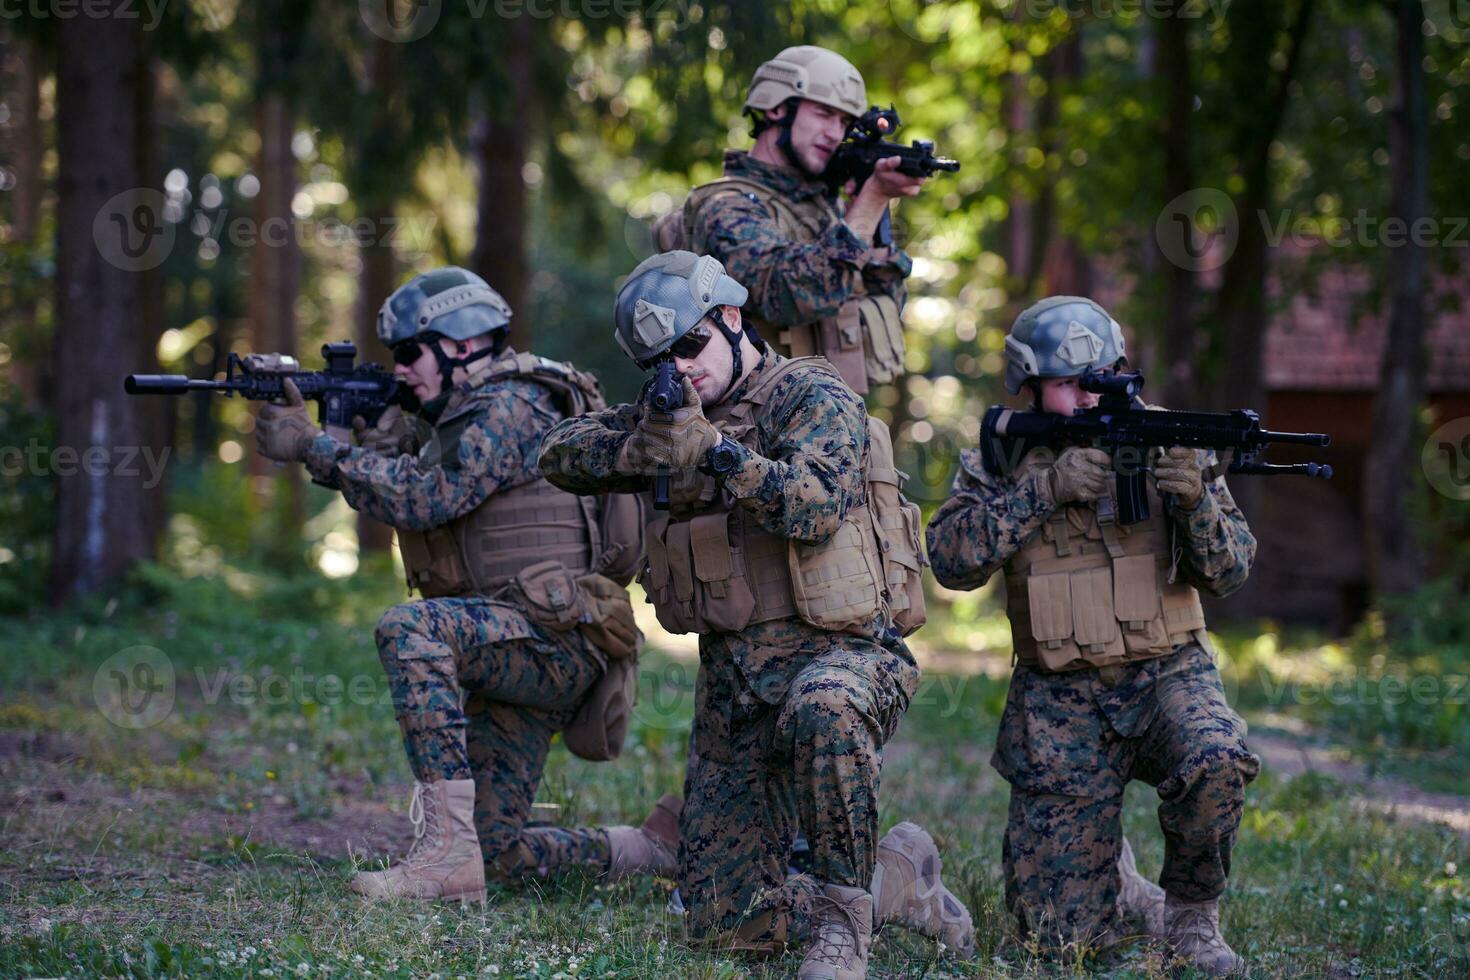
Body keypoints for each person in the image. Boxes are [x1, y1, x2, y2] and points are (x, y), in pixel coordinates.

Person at [538, 251, 973, 978]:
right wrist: (645, 441)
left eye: (690, 345)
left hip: (847, 657)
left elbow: (815, 504)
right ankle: (898, 882)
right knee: (728, 927)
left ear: (732, 318)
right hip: (738, 692)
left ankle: (844, 927)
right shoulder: (673, 413)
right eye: (661, 360)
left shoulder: (808, 393)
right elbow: (557, 455)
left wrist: (718, 454)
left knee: (826, 708)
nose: (683, 368)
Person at [253, 266, 676, 902]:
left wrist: (315, 447)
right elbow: (405, 484)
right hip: (518, 640)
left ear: (460, 344)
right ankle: (647, 850)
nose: (399, 370)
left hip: (555, 639)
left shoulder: (509, 405)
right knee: (497, 854)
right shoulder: (459, 414)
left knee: (410, 629)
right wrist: (348, 434)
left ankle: (444, 852)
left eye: (409, 353)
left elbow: (426, 499)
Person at [925, 296, 1261, 975]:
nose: (1087, 397)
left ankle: (1189, 917)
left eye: (1101, 378)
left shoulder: (1175, 440)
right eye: (1068, 383)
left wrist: (1194, 501)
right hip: (1058, 700)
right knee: (1062, 944)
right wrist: (1044, 491)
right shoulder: (1002, 455)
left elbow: (1231, 572)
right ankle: (1119, 886)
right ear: (1028, 383)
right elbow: (950, 561)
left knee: (1218, 754)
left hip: (1167, 672)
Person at [657, 45, 923, 395]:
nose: (834, 132)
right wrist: (872, 199)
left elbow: (884, 300)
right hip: (758, 435)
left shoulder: (822, 208)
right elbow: (793, 293)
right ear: (776, 107)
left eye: (843, 121)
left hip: (836, 429)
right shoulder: (725, 205)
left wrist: (867, 209)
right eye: (823, 113)